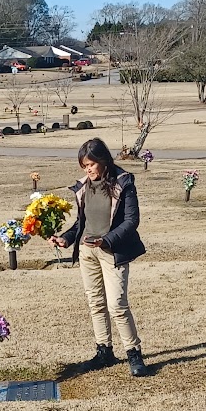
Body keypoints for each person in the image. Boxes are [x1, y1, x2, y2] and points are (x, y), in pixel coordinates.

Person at [52, 136, 148, 377]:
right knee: (96, 303)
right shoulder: (84, 186)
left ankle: (134, 353)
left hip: (112, 252)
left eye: (91, 165)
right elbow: (81, 223)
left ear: (103, 160)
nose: (88, 170)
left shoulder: (123, 183)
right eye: (84, 166)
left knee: (117, 305)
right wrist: (67, 238)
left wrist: (107, 240)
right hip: (87, 253)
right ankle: (104, 351)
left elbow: (131, 221)